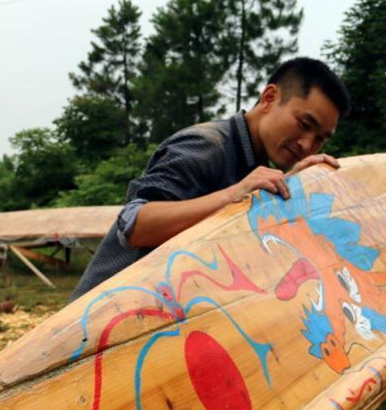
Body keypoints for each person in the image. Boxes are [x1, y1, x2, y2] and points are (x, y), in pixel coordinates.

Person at [69, 57, 350, 301]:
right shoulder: (206, 147)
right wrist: (233, 195)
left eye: (320, 139)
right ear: (269, 98)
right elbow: (135, 225)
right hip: (91, 332)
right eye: (304, 125)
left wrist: (296, 185)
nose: (307, 144)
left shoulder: (257, 169)